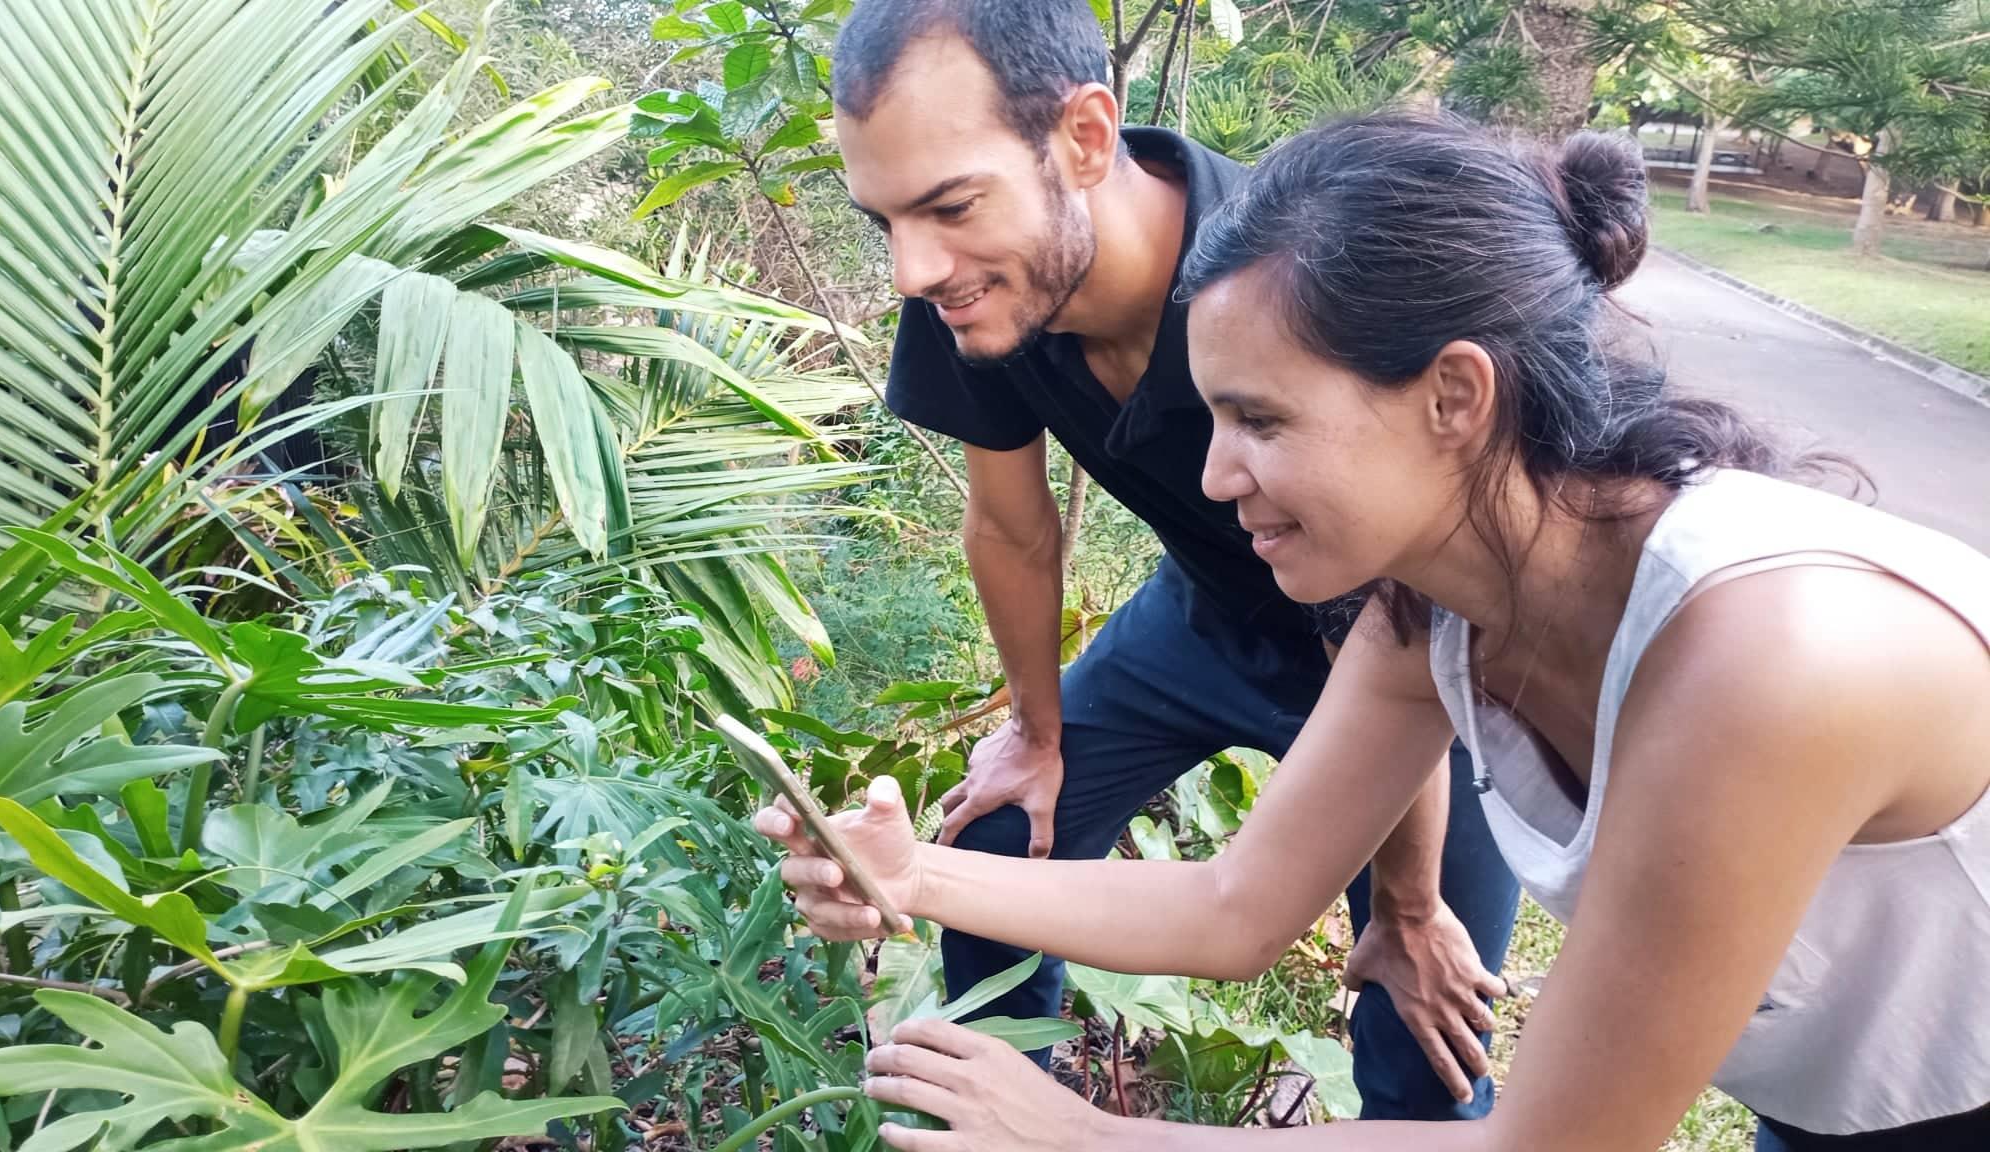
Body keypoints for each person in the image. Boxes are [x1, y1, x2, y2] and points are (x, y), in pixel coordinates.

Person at [758, 112, 1990, 1152]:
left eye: (1259, 421)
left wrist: (1092, 1135)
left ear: (1455, 394)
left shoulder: (1759, 659)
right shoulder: (1435, 615)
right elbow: (1239, 908)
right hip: (1833, 1089)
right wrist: (910, 872)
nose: (1217, 474)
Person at [827, 0, 1523, 1120]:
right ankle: (998, 1121)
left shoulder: (1281, 277)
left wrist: (1405, 904)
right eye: (886, 220)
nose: (915, 267)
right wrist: (1034, 734)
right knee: (1002, 843)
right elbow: (1011, 525)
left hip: (1428, 657)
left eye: (951, 204)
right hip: (1206, 621)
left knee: (1425, 1025)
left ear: (1086, 139)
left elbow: (1403, 598)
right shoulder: (977, 286)